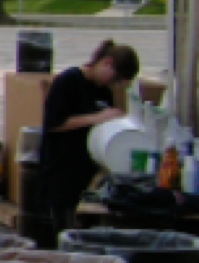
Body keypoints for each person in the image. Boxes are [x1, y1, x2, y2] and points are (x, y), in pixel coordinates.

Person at [38, 39, 141, 237]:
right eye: (115, 79)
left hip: (85, 171)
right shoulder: (69, 81)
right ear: (107, 63)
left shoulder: (103, 92)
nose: (112, 85)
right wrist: (97, 117)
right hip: (61, 170)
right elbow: (55, 123)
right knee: (64, 229)